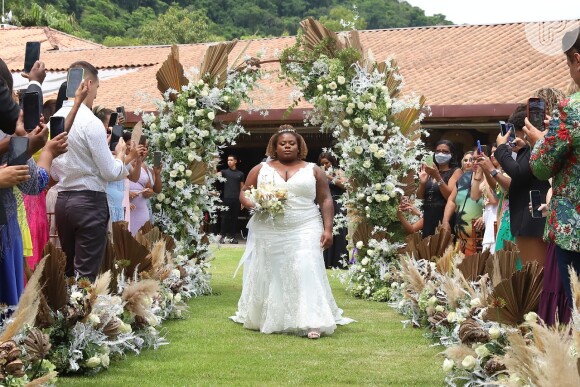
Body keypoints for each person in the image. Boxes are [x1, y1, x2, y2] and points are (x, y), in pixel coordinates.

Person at [230, 125, 354, 339]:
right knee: (274, 271)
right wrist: (254, 204)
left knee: (307, 266)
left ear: (299, 147)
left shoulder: (314, 169)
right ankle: (274, 316)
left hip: (305, 224)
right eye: (282, 143)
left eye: (292, 143)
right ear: (275, 147)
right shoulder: (260, 169)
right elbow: (244, 193)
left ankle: (313, 320)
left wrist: (328, 228)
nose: (287, 146)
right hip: (270, 227)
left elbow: (325, 199)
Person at [50, 61, 129, 282]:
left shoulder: (53, 120)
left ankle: (67, 312)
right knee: (86, 275)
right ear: (89, 83)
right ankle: (81, 315)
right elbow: (109, 171)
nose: (95, 94)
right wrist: (121, 156)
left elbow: (54, 169)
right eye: (96, 88)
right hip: (89, 200)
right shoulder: (91, 122)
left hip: (63, 199)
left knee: (68, 271)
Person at [524, 27, 580, 302]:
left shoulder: (570, 109)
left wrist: (539, 139)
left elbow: (542, 167)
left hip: (574, 227)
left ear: (577, 60)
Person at [495, 105, 550, 267]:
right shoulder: (531, 147)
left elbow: (518, 173)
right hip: (533, 217)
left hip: (532, 219)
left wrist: (501, 148)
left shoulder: (536, 146)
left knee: (536, 275)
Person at [417, 140, 462, 237]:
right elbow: (420, 196)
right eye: (438, 151)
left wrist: (437, 176)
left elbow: (450, 197)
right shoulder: (429, 172)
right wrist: (423, 183)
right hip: (429, 216)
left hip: (444, 216)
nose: (441, 153)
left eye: (445, 151)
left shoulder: (456, 171)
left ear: (452, 154)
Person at [318, 152, 348, 268]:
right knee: (324, 230)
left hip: (338, 204)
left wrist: (329, 177)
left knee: (339, 231)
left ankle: (339, 262)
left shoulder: (338, 171)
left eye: (327, 163)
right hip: (323, 205)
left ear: (332, 162)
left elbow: (345, 185)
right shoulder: (319, 172)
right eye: (322, 163)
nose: (325, 165)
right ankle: (325, 262)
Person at [219, 155, 245, 243]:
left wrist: (243, 200)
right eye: (228, 160)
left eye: (231, 160)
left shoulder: (240, 174)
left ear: (235, 161)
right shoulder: (224, 172)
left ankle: (233, 237)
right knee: (225, 218)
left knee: (234, 219)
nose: (229, 161)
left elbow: (242, 188)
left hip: (236, 199)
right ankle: (222, 237)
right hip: (226, 198)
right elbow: (215, 175)